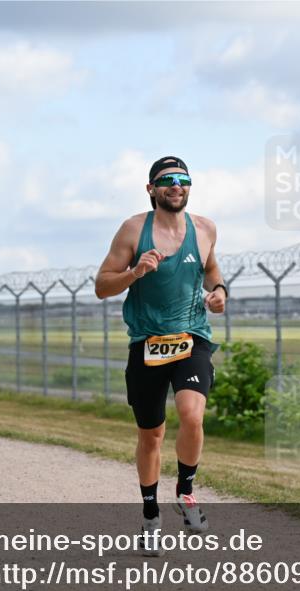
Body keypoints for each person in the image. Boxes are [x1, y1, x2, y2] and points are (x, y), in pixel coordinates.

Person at [95, 156, 227, 556]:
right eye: (167, 180)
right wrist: (134, 272)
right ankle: (151, 516)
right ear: (151, 188)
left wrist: (219, 291)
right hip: (148, 343)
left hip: (192, 338)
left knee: (192, 415)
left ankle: (185, 492)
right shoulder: (134, 230)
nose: (176, 185)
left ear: (190, 186)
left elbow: (212, 269)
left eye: (183, 179)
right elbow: (102, 286)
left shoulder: (205, 228)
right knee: (151, 434)